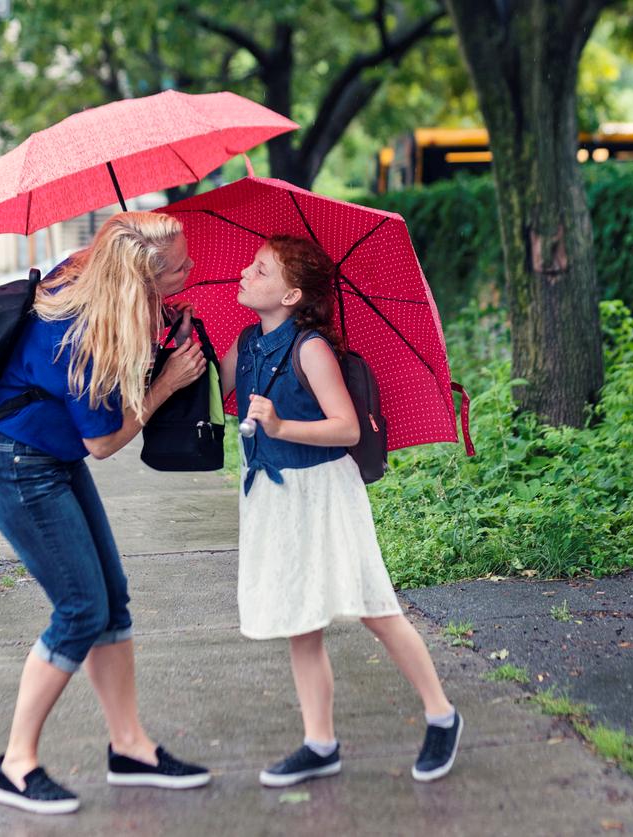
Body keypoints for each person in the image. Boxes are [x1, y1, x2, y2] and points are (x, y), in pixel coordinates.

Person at [0, 211, 210, 814]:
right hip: (16, 466)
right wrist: (169, 383)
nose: (193, 269)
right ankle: (17, 764)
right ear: (142, 277)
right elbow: (102, 443)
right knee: (81, 610)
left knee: (112, 600)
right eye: (180, 267)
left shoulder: (98, 286)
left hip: (49, 459)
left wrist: (158, 333)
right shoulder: (75, 331)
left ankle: (130, 747)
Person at [218, 235, 463, 787]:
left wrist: (281, 426)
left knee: (374, 606)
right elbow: (215, 388)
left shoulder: (311, 349)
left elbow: (346, 428)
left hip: (323, 493)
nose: (245, 273)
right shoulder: (246, 343)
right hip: (273, 498)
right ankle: (319, 742)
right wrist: (182, 342)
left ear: (291, 295)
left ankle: (442, 715)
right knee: (300, 621)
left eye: (260, 270)